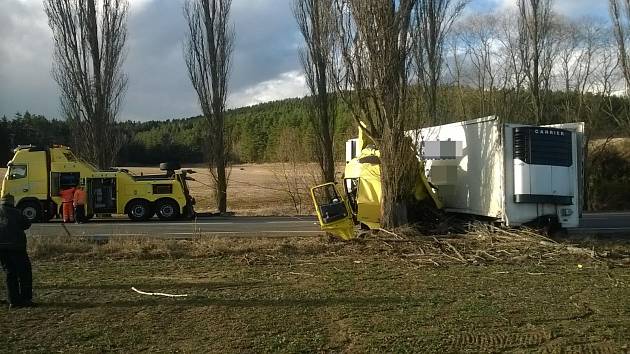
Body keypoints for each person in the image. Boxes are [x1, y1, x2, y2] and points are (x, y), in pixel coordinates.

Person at [0, 194, 34, 308]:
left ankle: (13, 300)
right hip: (16, 247)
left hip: (2, 248)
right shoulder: (16, 212)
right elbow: (27, 224)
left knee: (10, 273)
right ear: (12, 202)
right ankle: (25, 298)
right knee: (24, 272)